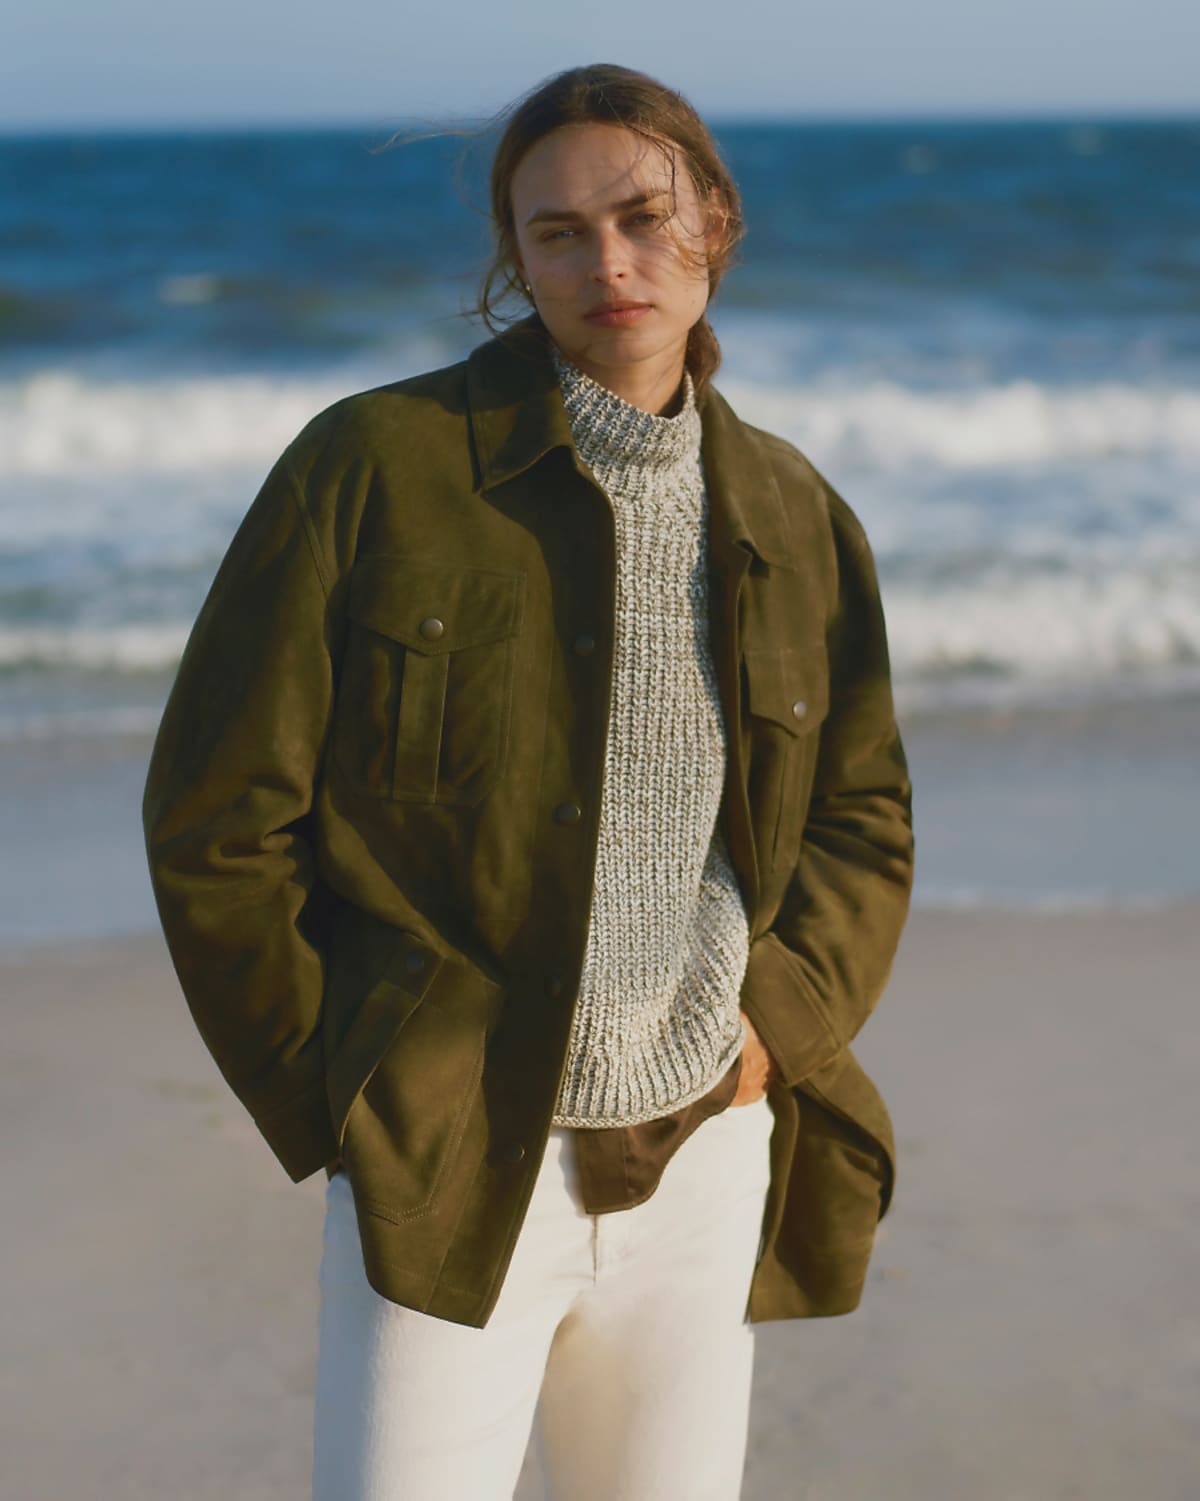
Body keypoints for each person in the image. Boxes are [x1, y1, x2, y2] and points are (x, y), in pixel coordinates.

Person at [142, 62, 914, 1501]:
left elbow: (865, 815)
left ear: (716, 225)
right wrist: (342, 1088)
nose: (606, 261)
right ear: (514, 258)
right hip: (452, 1153)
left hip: (706, 1143)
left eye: (641, 216)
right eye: (556, 232)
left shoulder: (800, 515)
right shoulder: (371, 469)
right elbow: (218, 813)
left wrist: (771, 1028)